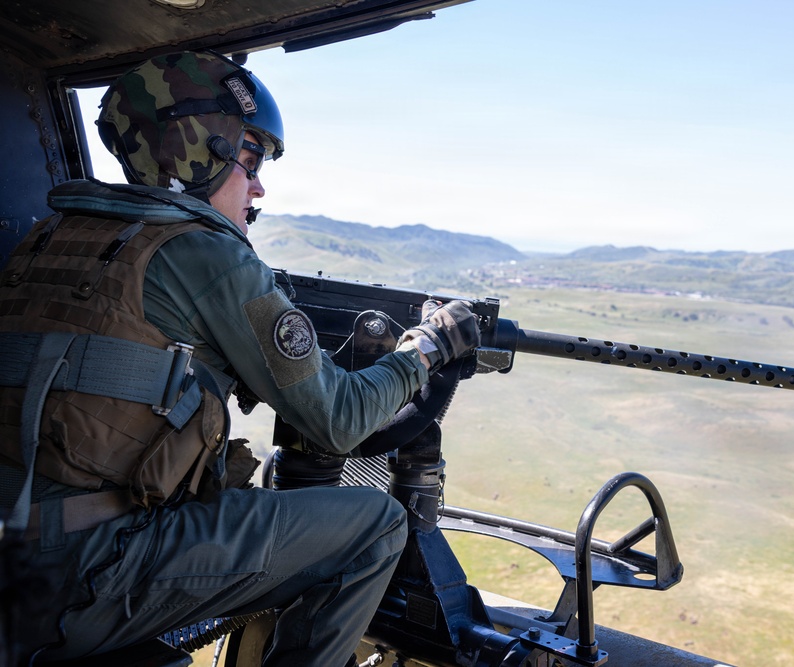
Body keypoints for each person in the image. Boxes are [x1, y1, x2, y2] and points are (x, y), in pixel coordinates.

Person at [0, 50, 480, 665]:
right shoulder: (210, 255)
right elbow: (341, 418)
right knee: (375, 525)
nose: (259, 186)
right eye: (249, 161)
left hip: (16, 557)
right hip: (82, 576)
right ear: (198, 156)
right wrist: (427, 348)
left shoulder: (46, 238)